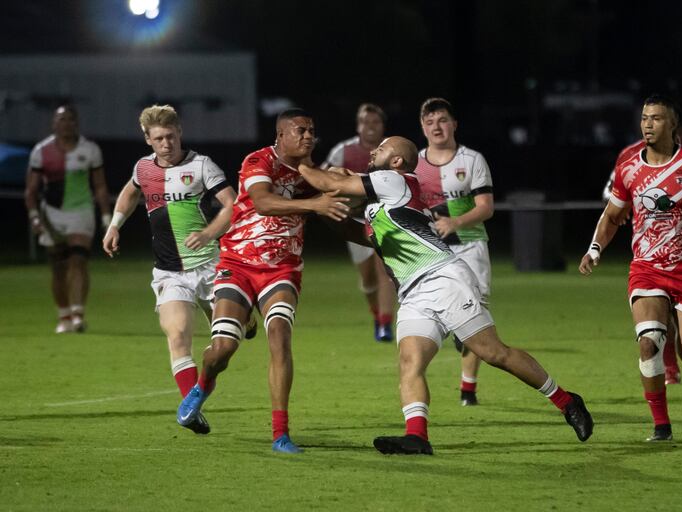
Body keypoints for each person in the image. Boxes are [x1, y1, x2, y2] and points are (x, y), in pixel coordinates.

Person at [297, 136, 593, 455]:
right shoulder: (380, 206)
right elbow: (351, 231)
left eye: (381, 149)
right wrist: (320, 206)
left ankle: (566, 401)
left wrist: (295, 164)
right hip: (413, 294)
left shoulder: (395, 181)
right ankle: (418, 437)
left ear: (397, 162)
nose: (373, 151)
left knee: (494, 353)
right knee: (410, 363)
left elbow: (324, 180)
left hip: (443, 278)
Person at [175, 108, 351, 453]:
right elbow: (263, 202)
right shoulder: (259, 161)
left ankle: (280, 434)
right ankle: (203, 385)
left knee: (280, 336)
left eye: (311, 130)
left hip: (282, 269)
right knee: (222, 350)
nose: (307, 136)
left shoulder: (315, 175)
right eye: (300, 130)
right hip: (238, 263)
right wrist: (315, 204)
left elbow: (340, 197)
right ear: (281, 135)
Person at [579, 94, 682, 442]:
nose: (648, 124)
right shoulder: (628, 165)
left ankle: (676, 323)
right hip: (647, 269)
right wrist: (594, 249)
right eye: (645, 118)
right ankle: (661, 425)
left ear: (673, 124)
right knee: (648, 342)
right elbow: (612, 215)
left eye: (657, 118)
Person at [102, 105, 240, 434]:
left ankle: (246, 319)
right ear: (148, 140)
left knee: (225, 346)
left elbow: (235, 205)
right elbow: (130, 192)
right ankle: (192, 408)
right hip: (170, 272)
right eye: (159, 138)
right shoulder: (143, 168)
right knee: (177, 335)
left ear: (180, 132)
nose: (166, 143)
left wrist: (209, 232)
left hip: (212, 267)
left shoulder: (202, 165)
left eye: (171, 136)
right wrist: (114, 225)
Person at [414, 98, 494, 406]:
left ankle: (468, 389)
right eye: (430, 121)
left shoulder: (472, 160)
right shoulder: (414, 164)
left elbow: (486, 207)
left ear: (454, 124)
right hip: (432, 252)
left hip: (471, 245)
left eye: (442, 120)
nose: (437, 127)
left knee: (477, 314)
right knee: (430, 313)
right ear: (423, 127)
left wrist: (455, 221)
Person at [24, 104, 111, 333]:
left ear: (77, 122)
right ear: (54, 123)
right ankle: (63, 316)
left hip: (81, 212)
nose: (66, 123)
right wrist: (34, 217)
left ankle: (77, 314)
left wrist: (106, 216)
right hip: (51, 214)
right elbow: (31, 190)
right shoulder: (41, 151)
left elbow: (100, 186)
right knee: (58, 267)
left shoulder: (90, 149)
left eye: (70, 119)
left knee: (79, 260)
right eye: (61, 119)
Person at [322, 103, 396, 342]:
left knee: (384, 270)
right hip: (355, 221)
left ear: (383, 126)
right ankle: (376, 314)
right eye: (366, 122)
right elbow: (324, 178)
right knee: (368, 278)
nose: (370, 127)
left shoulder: (392, 150)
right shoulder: (343, 151)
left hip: (385, 220)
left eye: (375, 122)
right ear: (358, 126)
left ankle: (385, 324)